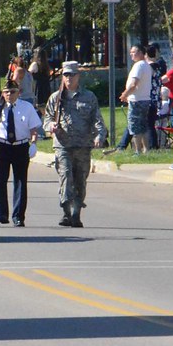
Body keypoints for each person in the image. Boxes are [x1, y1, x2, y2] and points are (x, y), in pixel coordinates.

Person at [44, 61, 106, 228]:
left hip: (83, 145)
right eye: (66, 75)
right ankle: (66, 212)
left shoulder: (89, 97)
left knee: (80, 180)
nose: (69, 78)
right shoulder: (56, 98)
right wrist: (51, 126)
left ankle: (76, 213)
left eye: (72, 75)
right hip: (63, 145)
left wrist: (100, 135)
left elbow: (97, 119)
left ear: (78, 76)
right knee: (65, 175)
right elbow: (47, 119)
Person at [0, 80, 42, 227]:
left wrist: (33, 144)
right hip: (3, 146)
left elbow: (33, 129)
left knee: (20, 181)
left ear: (19, 93)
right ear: (3, 93)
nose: (9, 94)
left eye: (13, 92)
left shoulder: (27, 107)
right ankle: (3, 213)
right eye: (7, 92)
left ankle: (18, 216)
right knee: (1, 180)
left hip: (20, 146)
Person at [119, 44, 152, 154]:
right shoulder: (147, 65)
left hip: (136, 100)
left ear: (142, 53)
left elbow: (134, 84)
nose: (131, 54)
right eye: (131, 52)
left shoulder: (138, 66)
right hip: (145, 99)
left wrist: (125, 94)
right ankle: (146, 149)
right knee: (144, 125)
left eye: (134, 52)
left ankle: (138, 151)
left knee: (135, 126)